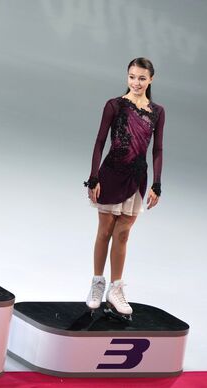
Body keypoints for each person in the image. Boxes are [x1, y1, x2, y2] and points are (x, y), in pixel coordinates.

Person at [84, 57, 165, 320]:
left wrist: (157, 183)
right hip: (111, 174)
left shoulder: (157, 111)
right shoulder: (115, 105)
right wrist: (94, 177)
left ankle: (115, 289)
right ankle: (97, 282)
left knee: (123, 235)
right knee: (105, 230)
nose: (136, 82)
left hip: (137, 178)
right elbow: (99, 142)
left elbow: (157, 149)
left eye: (142, 78)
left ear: (151, 79)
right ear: (127, 76)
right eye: (132, 76)